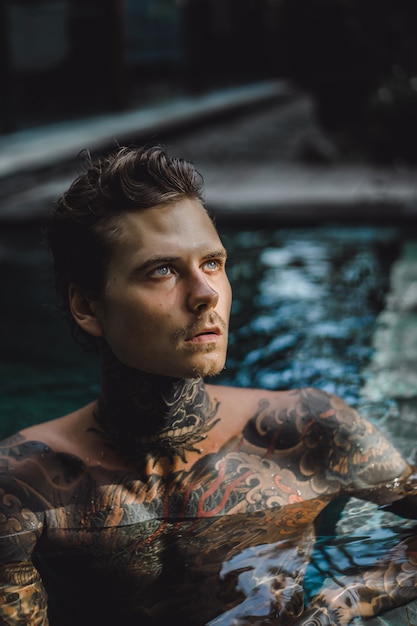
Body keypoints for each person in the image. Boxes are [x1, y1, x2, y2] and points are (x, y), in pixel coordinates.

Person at [0, 143, 417, 626]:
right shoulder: (24, 490)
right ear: (87, 308)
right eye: (163, 270)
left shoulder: (308, 430)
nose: (205, 294)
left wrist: (349, 597)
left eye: (213, 263)